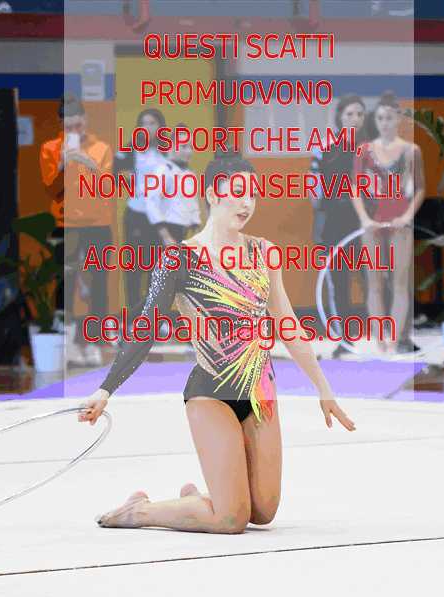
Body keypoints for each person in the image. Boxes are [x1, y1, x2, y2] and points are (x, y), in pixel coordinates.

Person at [78, 155, 356, 534]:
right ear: (213, 194)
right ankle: (139, 511)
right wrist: (105, 389)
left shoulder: (264, 252)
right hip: (211, 392)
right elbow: (146, 328)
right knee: (231, 520)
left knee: (263, 511)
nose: (247, 203)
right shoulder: (179, 259)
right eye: (238, 192)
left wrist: (324, 389)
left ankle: (198, 499)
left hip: (259, 391)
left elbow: (288, 324)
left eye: (252, 194)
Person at [40, 94, 113, 367]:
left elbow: (107, 187)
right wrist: (61, 165)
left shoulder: (101, 147)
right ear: (61, 124)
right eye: (68, 126)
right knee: (65, 282)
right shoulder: (50, 148)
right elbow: (51, 189)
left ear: (85, 120)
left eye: (78, 125)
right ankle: (68, 344)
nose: (73, 130)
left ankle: (92, 342)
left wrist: (88, 163)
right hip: (65, 223)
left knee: (98, 283)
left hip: (98, 223)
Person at [352, 91, 425, 355]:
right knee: (374, 283)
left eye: (390, 118)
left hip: (399, 223)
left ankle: (394, 340)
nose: (385, 123)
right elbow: (355, 188)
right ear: (376, 120)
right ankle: (379, 340)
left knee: (399, 283)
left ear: (398, 120)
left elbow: (420, 188)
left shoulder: (411, 151)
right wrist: (364, 218)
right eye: (381, 118)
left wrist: (406, 217)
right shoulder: (364, 151)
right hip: (372, 222)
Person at [310, 94, 367, 356]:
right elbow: (314, 188)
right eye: (349, 114)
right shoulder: (324, 147)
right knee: (339, 281)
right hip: (334, 224)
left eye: (359, 114)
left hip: (364, 223)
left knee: (372, 278)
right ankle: (344, 339)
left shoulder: (370, 149)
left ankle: (389, 336)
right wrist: (325, 205)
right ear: (339, 117)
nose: (355, 119)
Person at [115, 108, 169, 317]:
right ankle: (134, 317)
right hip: (137, 215)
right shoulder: (131, 149)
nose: (148, 127)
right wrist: (125, 178)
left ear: (160, 126)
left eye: (152, 123)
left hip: (161, 219)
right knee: (134, 267)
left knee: (158, 269)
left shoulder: (168, 150)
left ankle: (153, 317)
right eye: (144, 123)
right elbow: (113, 170)